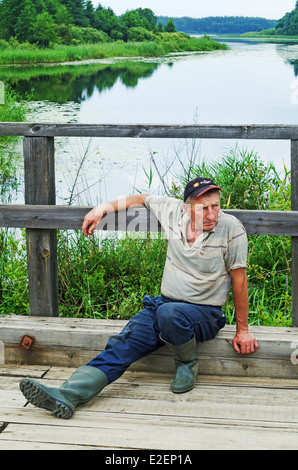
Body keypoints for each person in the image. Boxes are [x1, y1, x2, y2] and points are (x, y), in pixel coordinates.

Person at [20, 177, 259, 419]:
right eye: (203, 208)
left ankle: (187, 364)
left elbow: (239, 281)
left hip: (205, 314)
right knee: (122, 343)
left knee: (170, 314)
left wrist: (243, 330)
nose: (211, 214)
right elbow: (141, 198)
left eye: (215, 206)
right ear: (186, 208)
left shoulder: (231, 228)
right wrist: (103, 208)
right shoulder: (173, 211)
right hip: (164, 306)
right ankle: (68, 394)